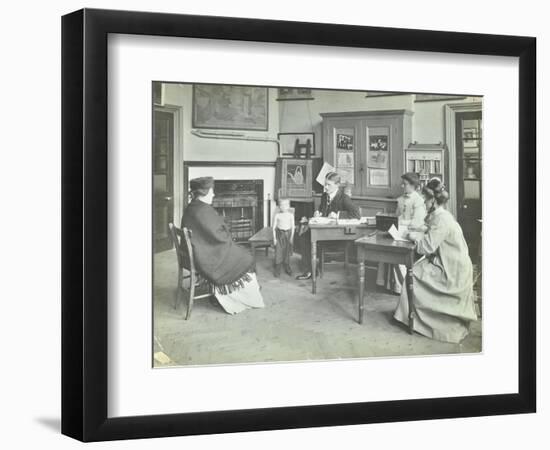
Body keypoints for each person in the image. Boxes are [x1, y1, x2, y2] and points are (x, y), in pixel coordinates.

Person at [393, 178, 478, 343]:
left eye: (425, 199)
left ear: (433, 200)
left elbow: (426, 247)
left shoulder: (442, 219)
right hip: (448, 261)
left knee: (414, 275)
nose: (423, 202)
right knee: (417, 269)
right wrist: (421, 231)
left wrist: (413, 236)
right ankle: (413, 317)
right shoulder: (441, 215)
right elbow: (431, 231)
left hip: (452, 269)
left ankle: (415, 321)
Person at [181, 177, 265, 315]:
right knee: (246, 257)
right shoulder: (202, 211)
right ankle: (240, 295)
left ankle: (242, 290)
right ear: (204, 193)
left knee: (239, 252)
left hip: (197, 252)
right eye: (211, 192)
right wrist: (227, 233)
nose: (213, 195)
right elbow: (218, 236)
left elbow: (211, 231)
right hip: (204, 255)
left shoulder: (193, 206)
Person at [296, 172, 361, 280]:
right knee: (305, 235)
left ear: (337, 185)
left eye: (328, 185)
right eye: (325, 184)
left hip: (338, 236)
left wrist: (338, 215)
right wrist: (318, 213)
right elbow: (323, 210)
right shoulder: (324, 196)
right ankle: (311, 270)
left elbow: (357, 214)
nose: (325, 187)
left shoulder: (344, 198)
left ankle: (310, 270)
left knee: (308, 237)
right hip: (324, 232)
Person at [377, 172, 427, 294]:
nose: (402, 186)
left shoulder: (418, 201)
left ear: (413, 185)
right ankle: (386, 283)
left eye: (404, 184)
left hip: (413, 233)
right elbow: (397, 216)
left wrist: (400, 222)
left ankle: (404, 287)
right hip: (400, 231)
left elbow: (417, 223)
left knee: (398, 253)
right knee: (384, 247)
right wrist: (393, 220)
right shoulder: (401, 199)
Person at [272, 198, 295, 277]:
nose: (284, 207)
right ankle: (277, 266)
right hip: (279, 234)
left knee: (287, 251)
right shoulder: (277, 215)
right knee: (279, 250)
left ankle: (287, 265)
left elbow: (293, 227)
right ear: (279, 206)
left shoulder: (290, 215)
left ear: (289, 206)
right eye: (282, 205)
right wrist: (274, 238)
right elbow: (274, 227)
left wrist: (291, 237)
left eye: (286, 205)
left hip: (288, 235)